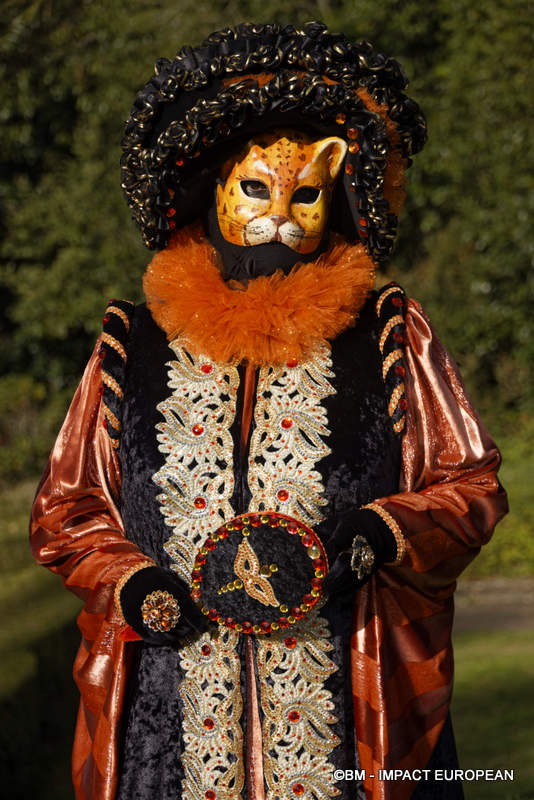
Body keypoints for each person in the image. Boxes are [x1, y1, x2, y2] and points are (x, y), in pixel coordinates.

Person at [29, 22, 508, 800]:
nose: (279, 215)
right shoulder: (132, 341)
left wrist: (377, 534)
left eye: (306, 195)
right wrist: (133, 582)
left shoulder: (386, 329)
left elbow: (469, 486)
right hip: (172, 711)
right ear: (216, 188)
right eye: (255, 188)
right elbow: (69, 510)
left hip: (347, 707)